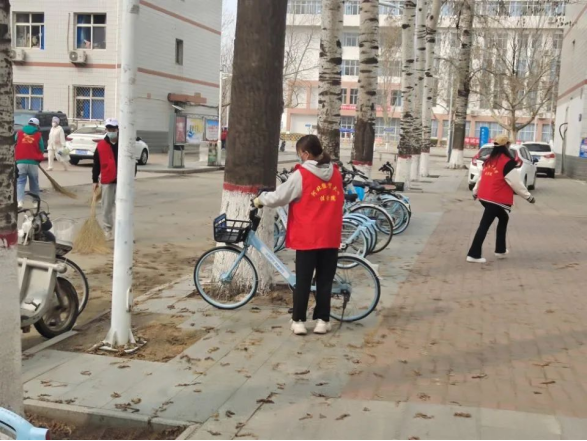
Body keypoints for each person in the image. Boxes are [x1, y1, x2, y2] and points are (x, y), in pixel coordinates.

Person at [254, 135, 344, 336]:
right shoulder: (336, 173)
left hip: (308, 236)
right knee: (325, 280)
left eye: (299, 153)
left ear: (305, 153)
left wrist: (261, 199)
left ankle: (299, 321)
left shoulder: (301, 174)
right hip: (330, 234)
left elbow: (280, 196)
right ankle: (323, 321)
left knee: (303, 280)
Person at [467, 135, 536, 264]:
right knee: (484, 225)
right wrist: (528, 197)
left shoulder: (489, 160)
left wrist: (475, 191)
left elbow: (481, 178)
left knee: (503, 218)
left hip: (485, 196)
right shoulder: (507, 162)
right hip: (495, 198)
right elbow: (516, 183)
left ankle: (501, 250)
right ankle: (473, 254)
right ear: (506, 146)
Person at [92, 119, 119, 241]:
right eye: (109, 129)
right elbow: (96, 164)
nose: (111, 131)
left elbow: (132, 161)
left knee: (122, 207)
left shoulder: (123, 144)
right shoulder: (101, 145)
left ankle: (122, 230)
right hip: (107, 180)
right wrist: (95, 180)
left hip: (122, 181)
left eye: (113, 129)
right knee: (107, 207)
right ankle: (108, 230)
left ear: (117, 129)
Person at [15, 117, 45, 209]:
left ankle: (19, 202)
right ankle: (35, 202)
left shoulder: (19, 133)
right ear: (37, 126)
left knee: (20, 182)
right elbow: (42, 149)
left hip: (20, 161)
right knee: (34, 183)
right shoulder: (38, 135)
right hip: (33, 162)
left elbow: (14, 144)